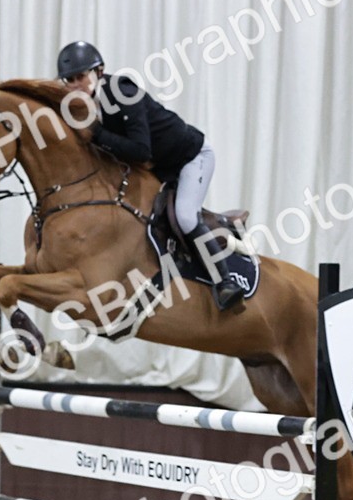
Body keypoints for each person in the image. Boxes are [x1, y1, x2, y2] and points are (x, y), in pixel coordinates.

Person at [57, 41, 244, 311]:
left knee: (185, 216)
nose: (76, 85)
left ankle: (226, 282)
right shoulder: (79, 108)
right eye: (69, 80)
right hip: (158, 167)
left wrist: (96, 134)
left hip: (191, 157)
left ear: (99, 72)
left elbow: (140, 149)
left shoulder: (122, 92)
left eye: (81, 77)